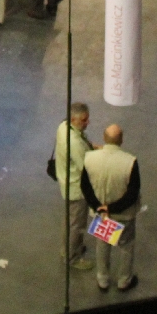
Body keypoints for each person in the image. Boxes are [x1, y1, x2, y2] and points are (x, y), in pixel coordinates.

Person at [83, 124, 141, 293]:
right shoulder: (130, 162)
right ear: (121, 140)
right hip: (123, 215)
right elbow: (133, 192)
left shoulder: (90, 158)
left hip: (103, 216)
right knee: (126, 246)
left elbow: (85, 186)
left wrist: (100, 208)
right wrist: (112, 207)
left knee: (103, 244)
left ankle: (103, 279)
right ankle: (124, 280)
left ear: (104, 137)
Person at [55, 103, 94, 269]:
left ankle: (68, 249)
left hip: (66, 181)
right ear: (73, 119)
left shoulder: (63, 126)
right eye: (83, 120)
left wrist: (91, 147)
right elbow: (86, 167)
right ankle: (72, 258)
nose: (87, 123)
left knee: (70, 221)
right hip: (76, 189)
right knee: (77, 225)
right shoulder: (75, 143)